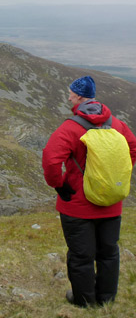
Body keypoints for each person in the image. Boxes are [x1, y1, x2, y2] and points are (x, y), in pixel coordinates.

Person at [42, 76, 136, 307]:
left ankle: (84, 301)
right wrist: (117, 174)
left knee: (81, 256)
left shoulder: (71, 127)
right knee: (109, 253)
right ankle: (106, 299)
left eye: (71, 93)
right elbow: (133, 148)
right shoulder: (117, 124)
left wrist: (60, 184)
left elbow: (51, 160)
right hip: (111, 202)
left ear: (80, 97)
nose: (68, 97)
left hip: (77, 205)